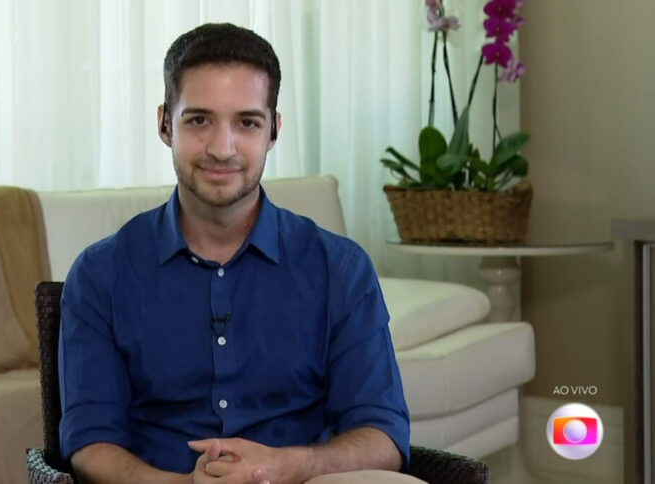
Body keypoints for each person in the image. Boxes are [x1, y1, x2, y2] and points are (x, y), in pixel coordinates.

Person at [58, 23, 423, 484]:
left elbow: (383, 436)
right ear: (165, 124)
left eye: (247, 122)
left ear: (273, 131)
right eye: (199, 120)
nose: (221, 148)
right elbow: (91, 444)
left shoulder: (340, 270)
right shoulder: (100, 274)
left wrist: (283, 467)